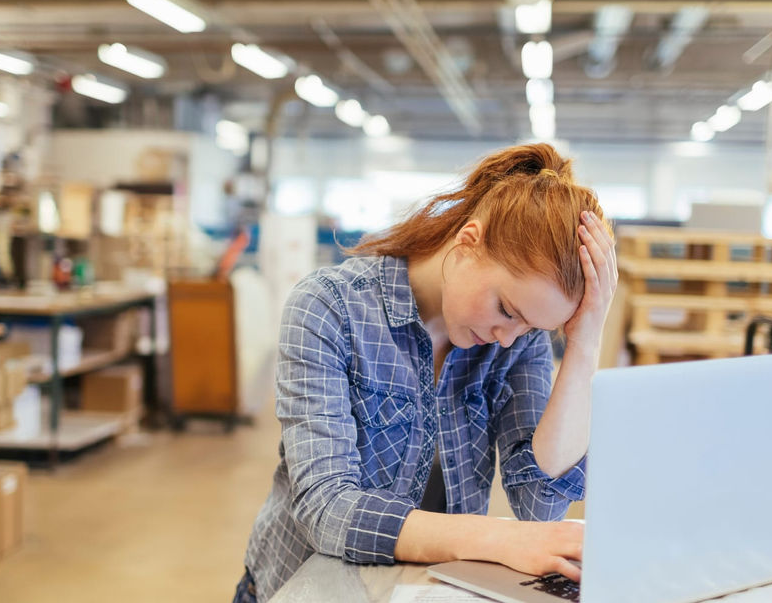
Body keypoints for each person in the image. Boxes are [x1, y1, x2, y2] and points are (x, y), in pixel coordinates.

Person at [234, 143, 617, 602]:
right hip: (308, 587)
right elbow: (327, 511)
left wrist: (585, 341)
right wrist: (497, 538)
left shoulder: (518, 339)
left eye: (532, 326)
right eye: (505, 308)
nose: (508, 337)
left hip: (424, 589)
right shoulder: (331, 308)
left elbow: (541, 506)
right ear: (468, 241)